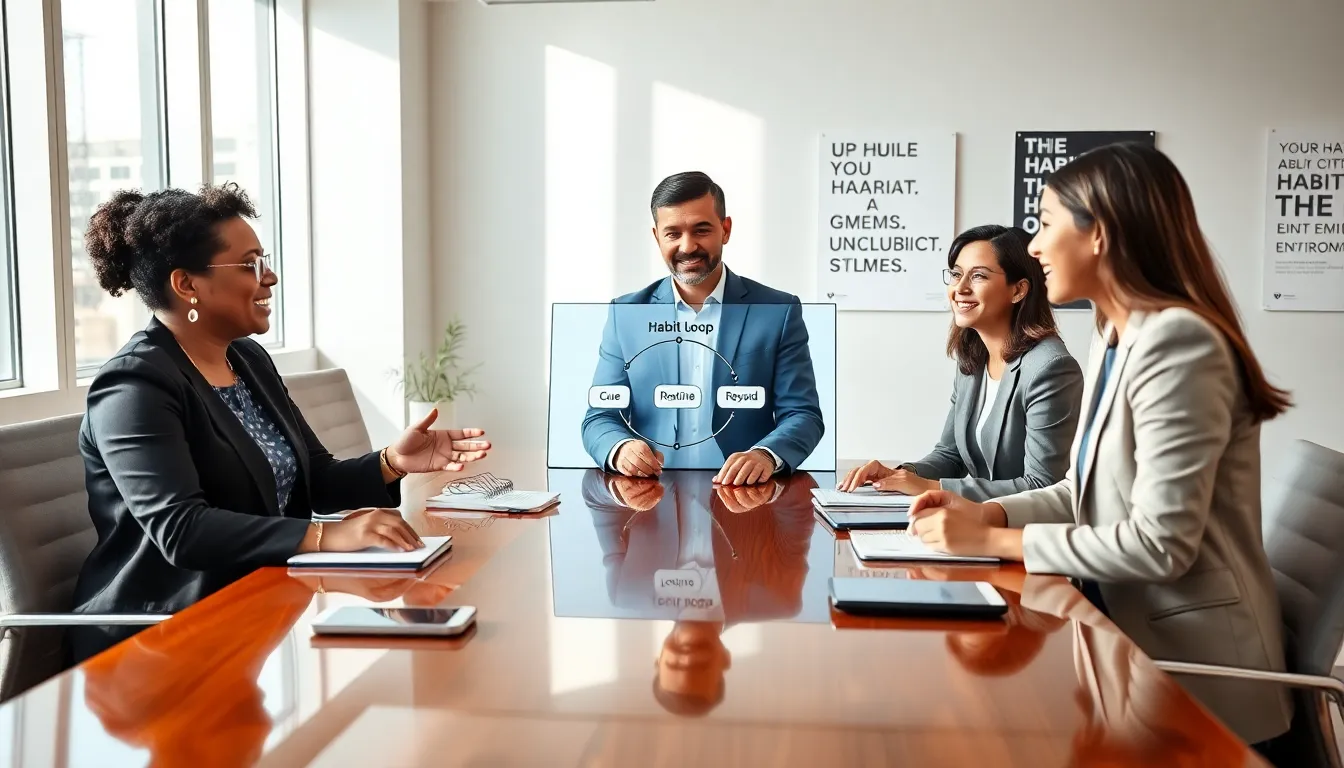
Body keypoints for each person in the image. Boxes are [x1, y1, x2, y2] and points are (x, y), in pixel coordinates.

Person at [904, 143, 1292, 749]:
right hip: (1120, 654)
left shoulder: (1178, 343)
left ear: (1100, 235)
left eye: (1047, 223)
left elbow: (1160, 546)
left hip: (1197, 684)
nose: (1032, 245)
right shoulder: (1114, 336)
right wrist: (989, 512)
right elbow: (1080, 490)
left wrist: (994, 540)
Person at [71, 184, 490, 660]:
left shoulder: (247, 359)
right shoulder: (134, 386)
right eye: (250, 264)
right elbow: (181, 530)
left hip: (264, 600)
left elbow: (314, 480)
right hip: (162, 635)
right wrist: (324, 536)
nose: (269, 276)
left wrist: (392, 462)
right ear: (187, 284)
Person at [581, 172, 824, 486]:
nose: (687, 246)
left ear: (725, 230)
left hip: (744, 500)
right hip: (650, 502)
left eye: (701, 230)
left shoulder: (778, 312)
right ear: (657, 237)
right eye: (673, 233)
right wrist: (620, 448)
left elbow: (803, 414)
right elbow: (600, 417)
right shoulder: (626, 314)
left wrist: (765, 455)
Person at [839, 225, 1083, 500]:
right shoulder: (973, 358)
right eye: (956, 274)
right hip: (977, 522)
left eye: (978, 276)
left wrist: (933, 488)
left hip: (1022, 534)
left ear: (1018, 290)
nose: (960, 288)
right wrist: (898, 475)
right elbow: (950, 455)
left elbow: (1042, 486)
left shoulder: (1050, 367)